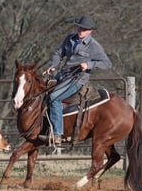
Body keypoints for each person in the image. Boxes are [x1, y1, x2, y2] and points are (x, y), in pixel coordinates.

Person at [39, 15, 112, 146]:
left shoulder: (94, 46)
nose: (81, 30)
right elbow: (58, 53)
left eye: (84, 29)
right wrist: (52, 66)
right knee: (40, 92)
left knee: (55, 98)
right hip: (63, 75)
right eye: (79, 27)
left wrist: (88, 65)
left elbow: (107, 63)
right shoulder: (69, 39)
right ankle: (41, 128)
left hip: (77, 79)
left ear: (90, 31)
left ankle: (57, 134)